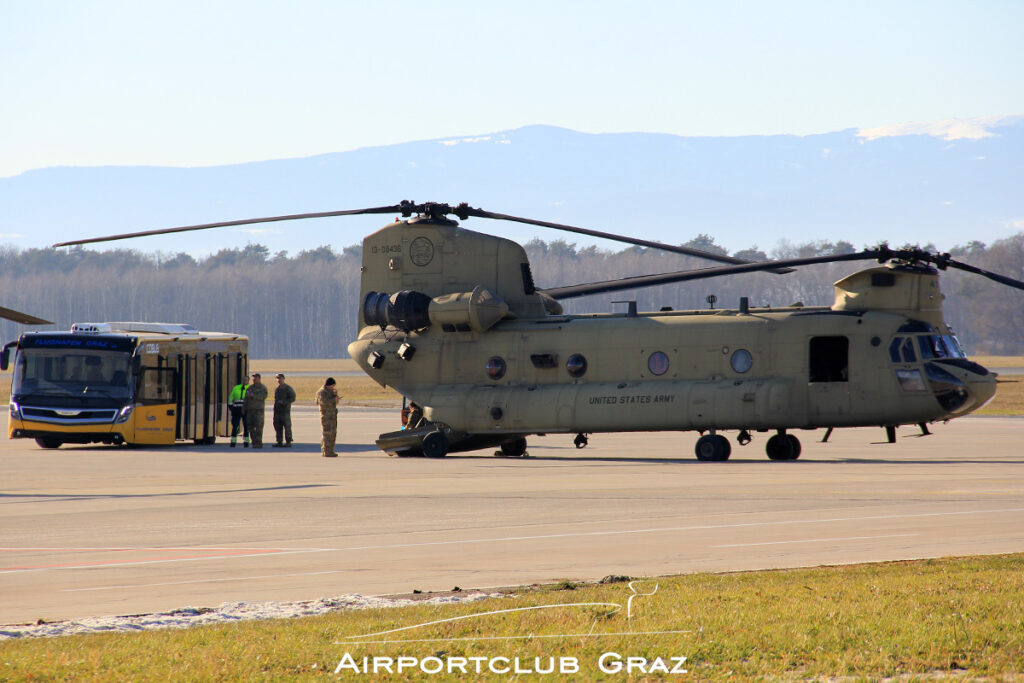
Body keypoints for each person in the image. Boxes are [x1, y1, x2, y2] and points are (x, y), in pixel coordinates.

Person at [315, 377, 340, 457]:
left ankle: (330, 450)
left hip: (332, 415)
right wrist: (334, 399)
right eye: (332, 386)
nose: (333, 387)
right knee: (327, 433)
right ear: (328, 385)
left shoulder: (330, 391)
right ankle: (326, 451)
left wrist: (335, 395)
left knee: (333, 433)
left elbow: (334, 403)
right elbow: (324, 402)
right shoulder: (321, 392)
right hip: (326, 416)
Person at [243, 372, 269, 448]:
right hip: (250, 411)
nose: (254, 379)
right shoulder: (250, 388)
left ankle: (259, 442)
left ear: (259, 378)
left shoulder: (263, 388)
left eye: (256, 378)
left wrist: (254, 396)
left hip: (258, 411)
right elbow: (246, 399)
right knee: (250, 427)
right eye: (253, 378)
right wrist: (244, 408)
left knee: (259, 427)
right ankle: (254, 441)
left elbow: (263, 396)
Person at [272, 372, 296, 447]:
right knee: (277, 427)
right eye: (277, 378)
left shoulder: (288, 388)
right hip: (277, 411)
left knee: (287, 427)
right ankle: (279, 441)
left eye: (280, 378)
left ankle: (288, 441)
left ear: (283, 379)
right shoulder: (277, 389)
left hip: (285, 411)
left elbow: (293, 398)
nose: (278, 380)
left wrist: (284, 402)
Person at [229, 375, 250, 447]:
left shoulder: (250, 389)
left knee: (246, 427)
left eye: (246, 380)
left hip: (246, 411)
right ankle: (233, 441)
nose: (245, 381)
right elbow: (230, 398)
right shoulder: (236, 388)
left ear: (248, 381)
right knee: (235, 426)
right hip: (236, 410)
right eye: (244, 380)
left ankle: (246, 442)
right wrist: (231, 407)